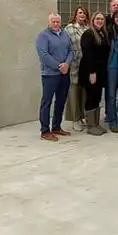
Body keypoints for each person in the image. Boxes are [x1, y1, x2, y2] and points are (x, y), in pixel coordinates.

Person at [35, 13, 74, 141]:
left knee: (61, 101)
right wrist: (59, 66)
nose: (56, 24)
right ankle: (45, 130)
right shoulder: (43, 36)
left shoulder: (64, 34)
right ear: (49, 22)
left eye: (58, 22)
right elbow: (44, 55)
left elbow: (71, 51)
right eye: (53, 22)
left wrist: (67, 64)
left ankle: (56, 126)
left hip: (64, 74)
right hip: (50, 75)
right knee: (47, 102)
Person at [79, 11, 110, 136]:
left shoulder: (102, 33)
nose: (100, 21)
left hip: (100, 71)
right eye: (97, 19)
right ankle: (91, 125)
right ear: (92, 20)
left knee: (97, 96)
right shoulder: (88, 34)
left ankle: (96, 123)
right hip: (90, 71)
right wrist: (92, 72)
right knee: (91, 96)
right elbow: (88, 54)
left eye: (102, 19)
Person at [64, 6, 90, 131]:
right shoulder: (69, 28)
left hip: (85, 64)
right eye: (80, 12)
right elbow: (65, 46)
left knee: (83, 92)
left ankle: (82, 116)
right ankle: (75, 119)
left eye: (84, 13)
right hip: (74, 64)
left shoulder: (88, 28)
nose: (82, 15)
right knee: (74, 92)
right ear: (75, 14)